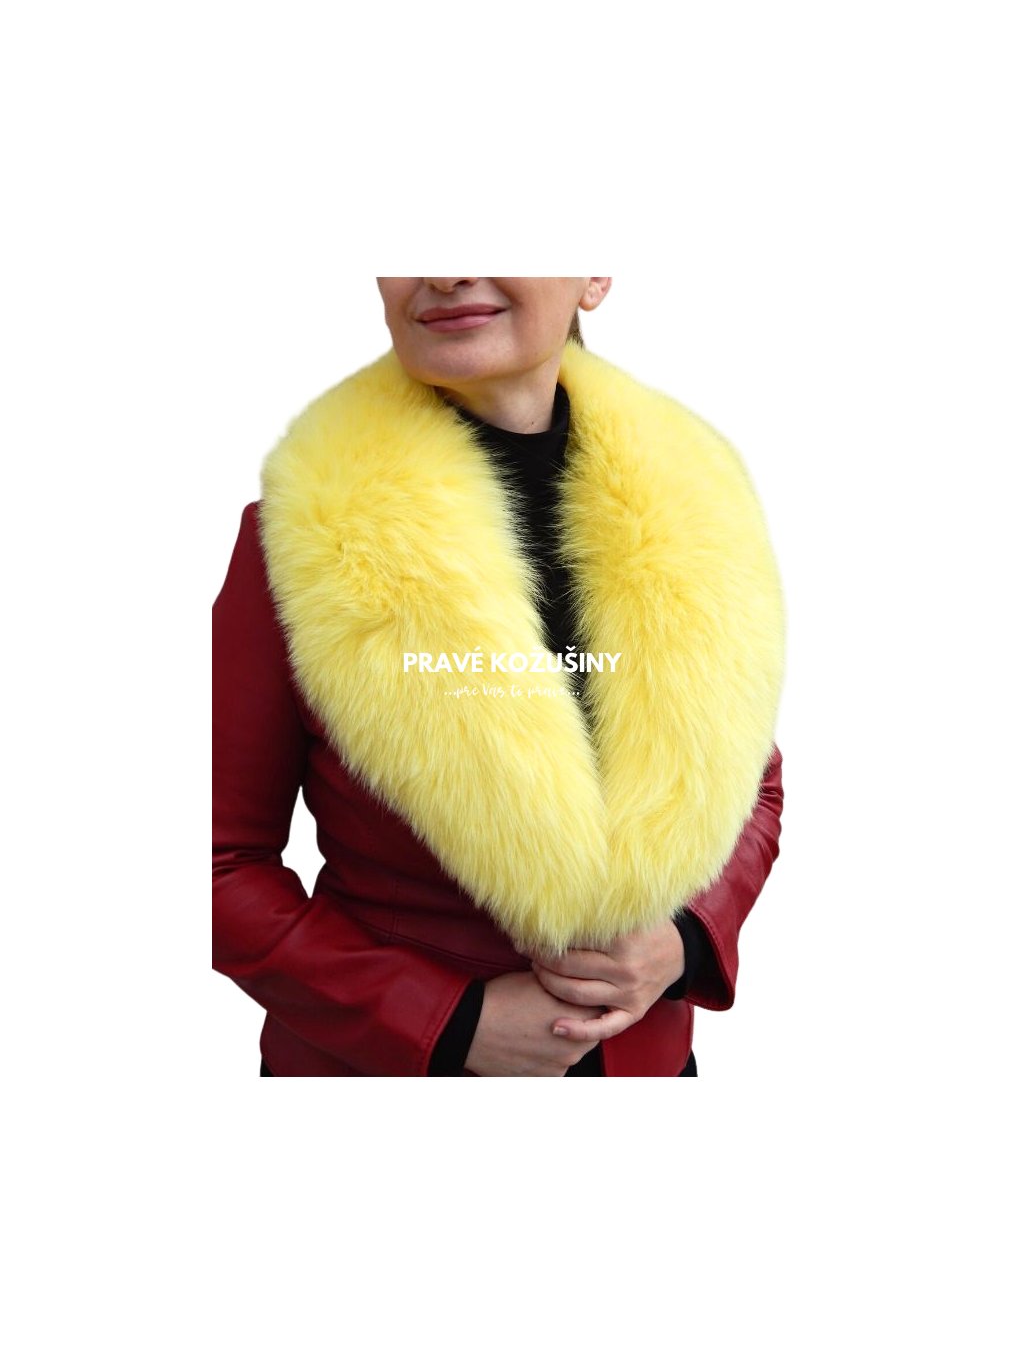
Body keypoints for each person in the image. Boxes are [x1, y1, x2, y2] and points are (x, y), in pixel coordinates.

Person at [213, 277, 785, 1077]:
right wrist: (447, 1022)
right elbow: (215, 863)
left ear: (594, 275)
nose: (446, 270)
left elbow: (749, 782)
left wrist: (680, 940)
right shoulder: (301, 541)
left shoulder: (699, 506)